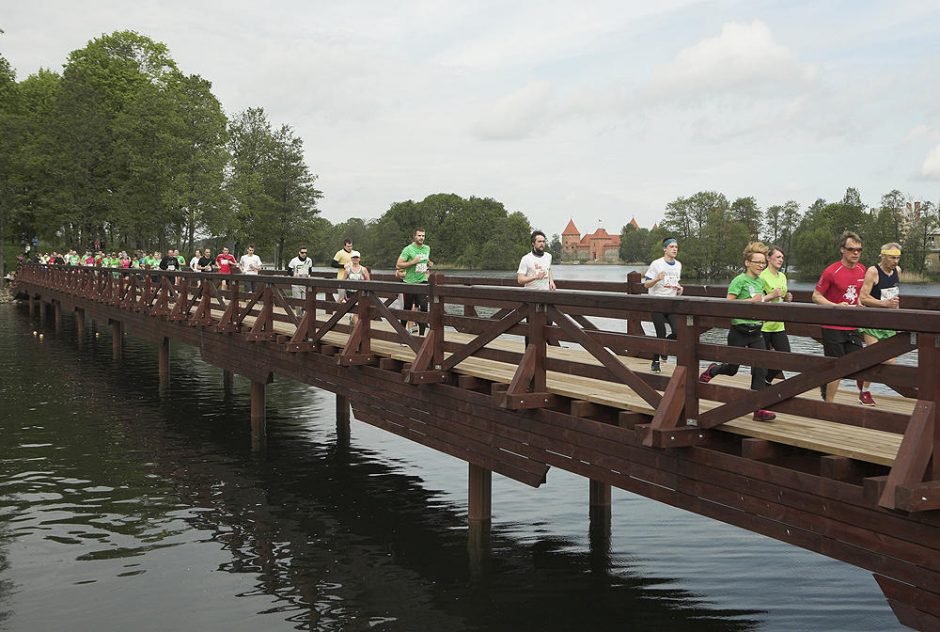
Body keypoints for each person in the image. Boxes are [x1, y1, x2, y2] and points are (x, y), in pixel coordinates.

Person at [699, 241, 781, 422]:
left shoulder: (760, 281)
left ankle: (757, 408)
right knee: (732, 368)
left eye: (763, 263)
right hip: (739, 330)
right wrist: (751, 301)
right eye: (757, 262)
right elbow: (728, 304)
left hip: (756, 330)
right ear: (747, 263)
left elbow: (758, 300)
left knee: (760, 368)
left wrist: (769, 297)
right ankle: (713, 370)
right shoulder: (739, 280)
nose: (761, 266)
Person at [811, 230, 867, 403]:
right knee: (836, 366)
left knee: (860, 362)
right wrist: (835, 306)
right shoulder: (831, 271)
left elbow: (861, 294)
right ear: (842, 250)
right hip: (832, 326)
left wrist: (861, 302)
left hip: (853, 326)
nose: (856, 253)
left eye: (859, 250)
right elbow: (816, 296)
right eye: (851, 249)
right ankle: (829, 405)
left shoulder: (862, 270)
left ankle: (863, 394)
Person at [856, 243, 902, 406]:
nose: (895, 261)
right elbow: (863, 297)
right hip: (872, 321)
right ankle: (865, 392)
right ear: (883, 256)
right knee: (875, 356)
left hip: (889, 322)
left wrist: (898, 316)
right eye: (892, 257)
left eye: (897, 258)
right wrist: (885, 304)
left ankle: (863, 375)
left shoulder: (897, 271)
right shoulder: (873, 271)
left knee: (891, 361)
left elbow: (895, 298)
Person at [642, 237, 683, 372]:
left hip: (671, 303)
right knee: (661, 333)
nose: (674, 249)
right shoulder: (656, 264)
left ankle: (664, 347)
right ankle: (655, 361)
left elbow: (674, 283)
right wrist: (656, 279)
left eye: (676, 247)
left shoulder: (678, 265)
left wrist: (680, 288)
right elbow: (646, 284)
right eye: (671, 247)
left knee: (678, 332)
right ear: (665, 249)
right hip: (657, 303)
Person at [759, 245, 793, 385]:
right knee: (761, 361)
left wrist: (787, 298)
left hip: (778, 324)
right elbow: (756, 299)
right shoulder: (761, 276)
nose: (781, 260)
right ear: (768, 258)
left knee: (786, 357)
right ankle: (759, 388)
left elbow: (782, 296)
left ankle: (766, 380)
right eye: (778, 257)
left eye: (782, 258)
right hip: (763, 325)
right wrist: (772, 295)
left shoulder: (783, 276)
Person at [517, 230, 556, 347]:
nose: (542, 244)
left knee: (548, 325)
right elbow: (520, 279)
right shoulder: (526, 259)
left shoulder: (548, 256)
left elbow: (549, 270)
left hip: (546, 297)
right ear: (533, 243)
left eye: (543, 241)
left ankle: (548, 353)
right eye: (539, 241)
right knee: (531, 329)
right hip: (531, 299)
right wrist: (535, 277)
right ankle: (529, 353)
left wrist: (551, 281)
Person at [397, 228, 433, 336]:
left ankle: (421, 336)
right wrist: (413, 262)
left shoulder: (427, 248)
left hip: (422, 281)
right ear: (415, 236)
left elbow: (426, 261)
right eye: (419, 235)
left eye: (423, 236)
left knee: (424, 308)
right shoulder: (408, 249)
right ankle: (403, 335)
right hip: (409, 282)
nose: (421, 238)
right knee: (407, 308)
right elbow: (399, 264)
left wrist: (429, 263)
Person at [340, 250, 370, 324]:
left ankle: (356, 328)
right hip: (350, 293)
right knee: (355, 311)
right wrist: (342, 296)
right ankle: (357, 328)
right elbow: (342, 283)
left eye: (357, 257)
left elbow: (369, 282)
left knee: (357, 312)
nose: (355, 259)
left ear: (359, 259)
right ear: (351, 259)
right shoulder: (348, 270)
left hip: (360, 294)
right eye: (354, 257)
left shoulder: (363, 269)